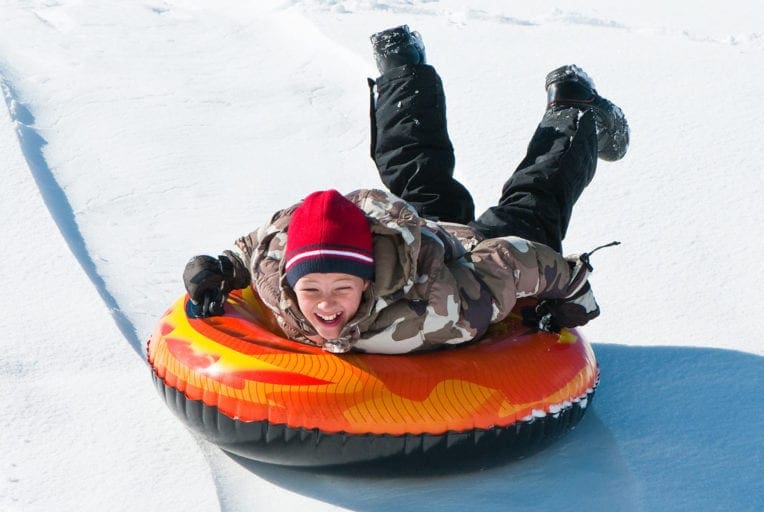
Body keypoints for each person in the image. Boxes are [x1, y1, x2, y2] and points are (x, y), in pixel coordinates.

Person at [182, 25, 629, 355]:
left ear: (367, 279)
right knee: (413, 171)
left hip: (472, 260)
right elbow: (259, 249)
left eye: (341, 287)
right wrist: (217, 268)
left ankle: (575, 106)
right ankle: (402, 68)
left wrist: (575, 295)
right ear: (289, 283)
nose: (326, 304)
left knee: (533, 202)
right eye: (311, 289)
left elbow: (513, 260)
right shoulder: (274, 278)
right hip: (416, 233)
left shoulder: (441, 310)